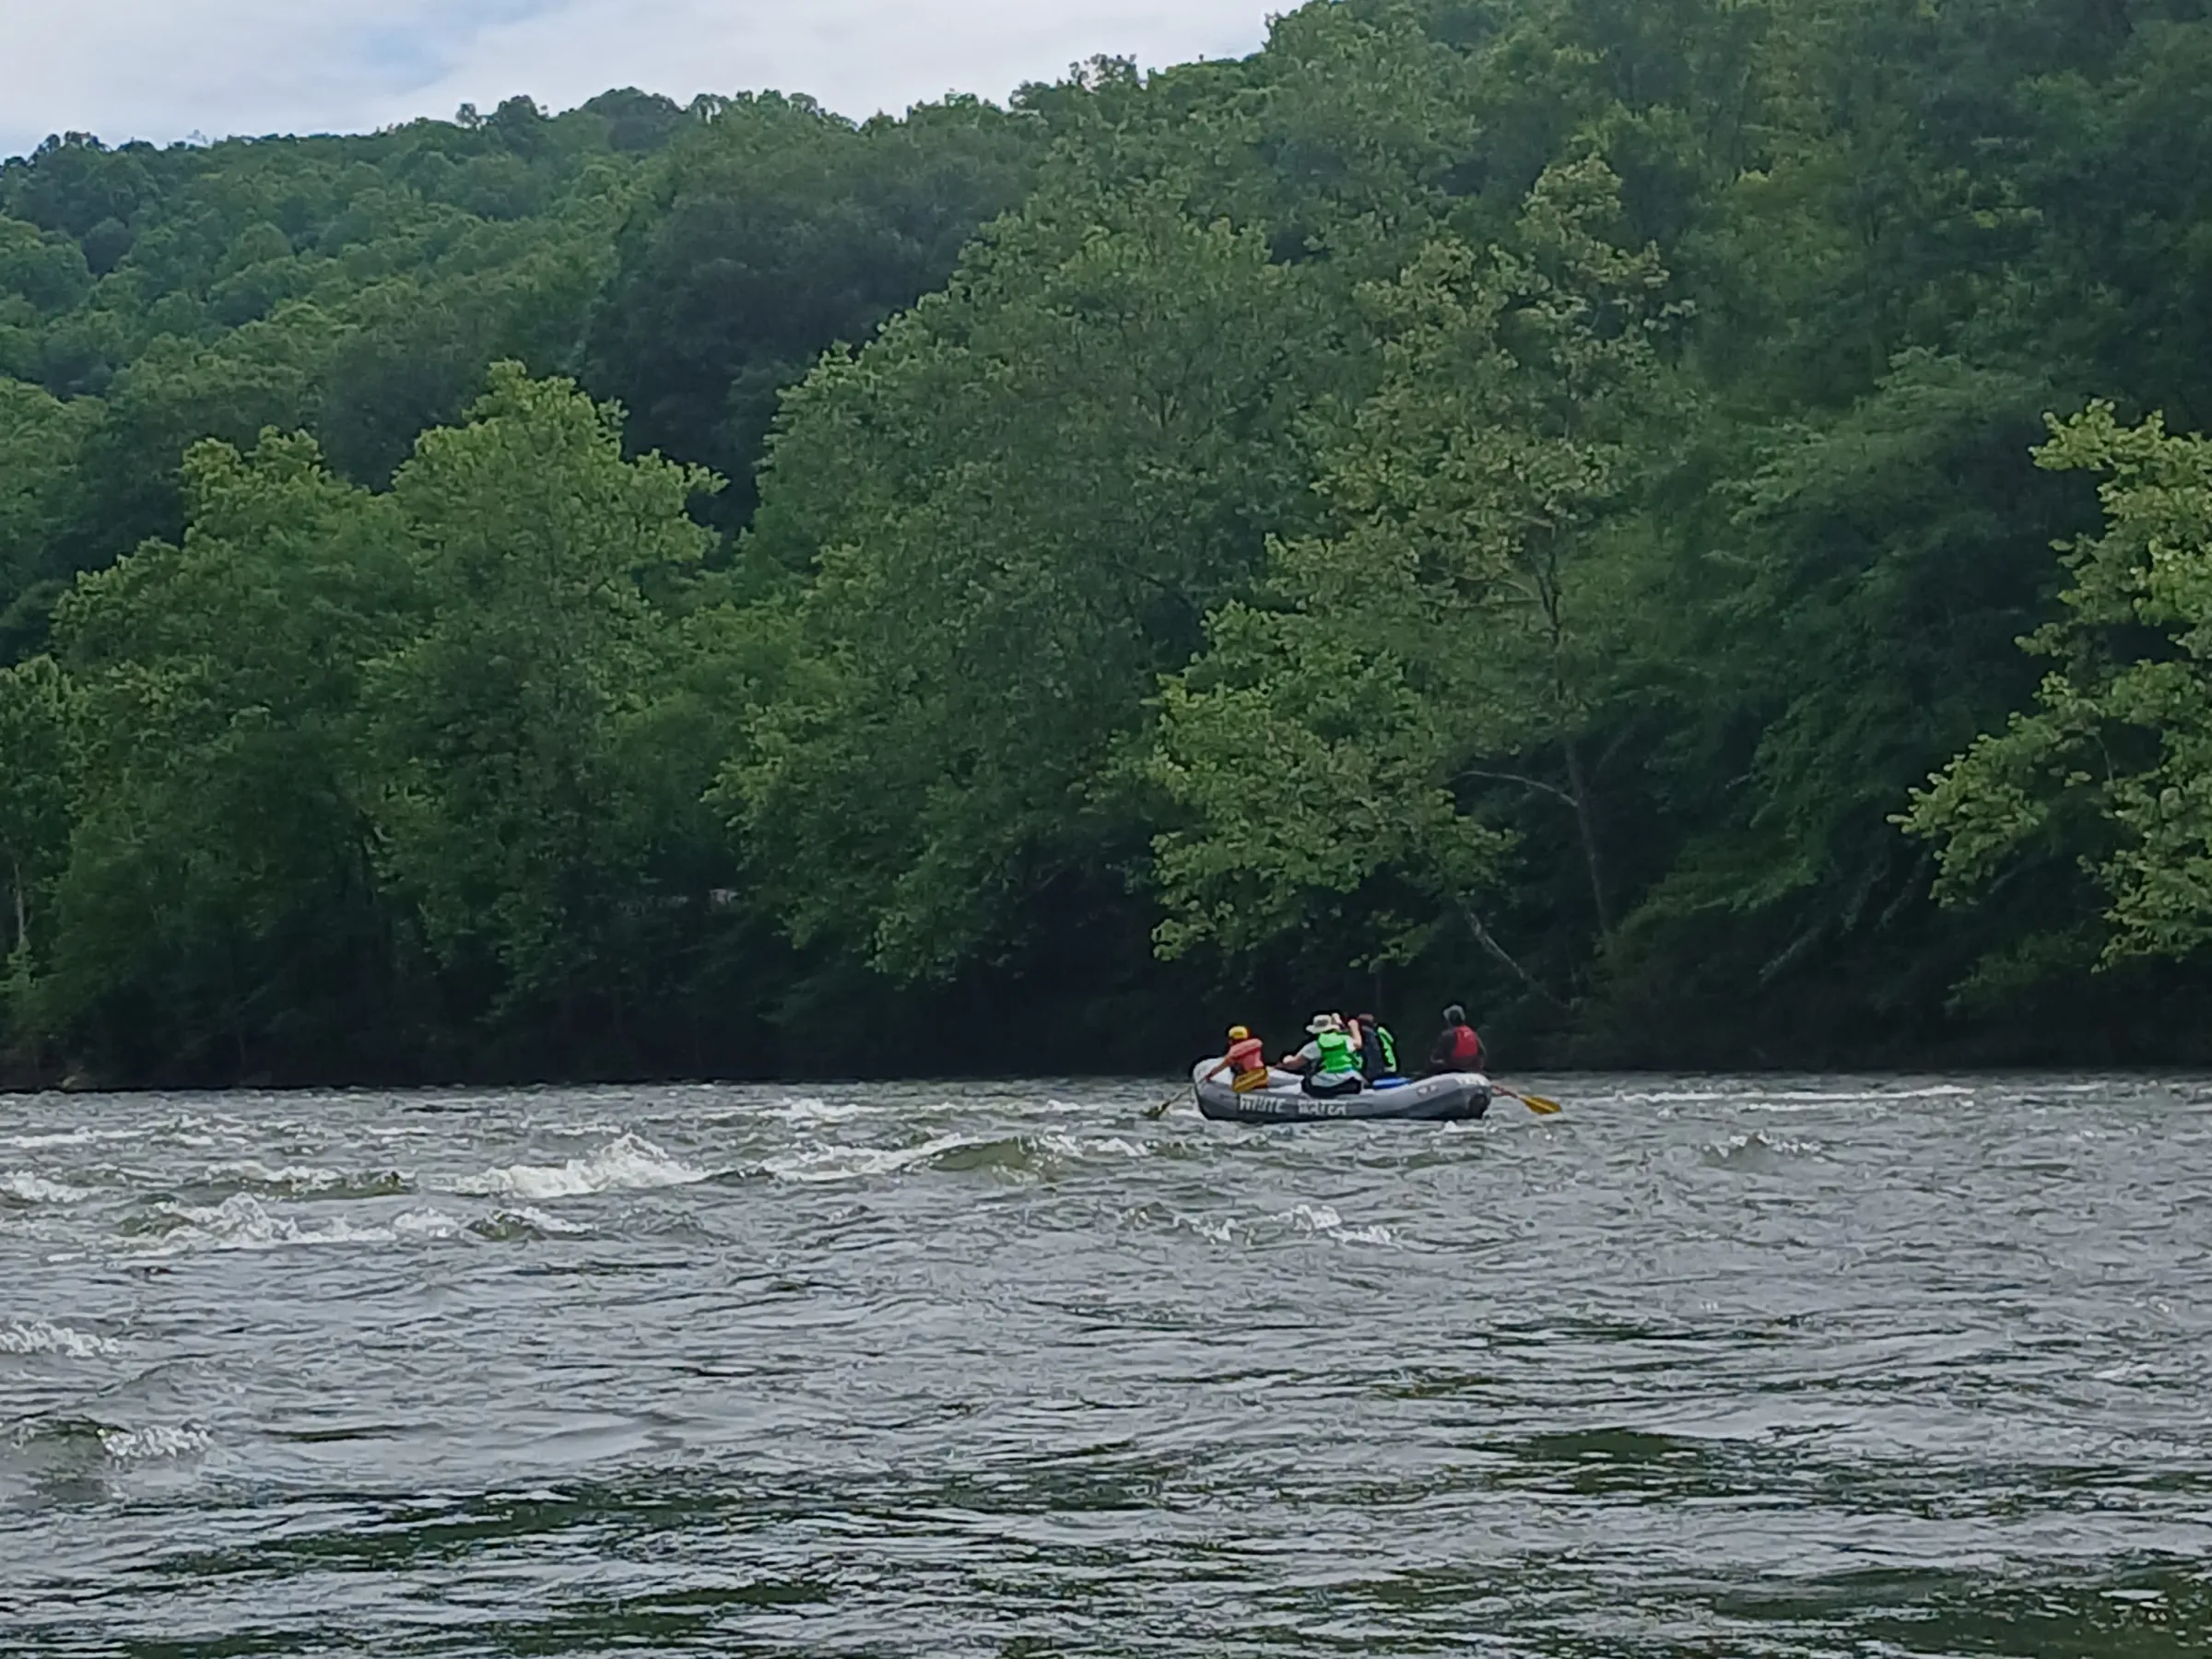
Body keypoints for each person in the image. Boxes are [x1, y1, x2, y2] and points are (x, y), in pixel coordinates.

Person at [1283, 1014, 1364, 1099]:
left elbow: (1294, 1064)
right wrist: (1354, 1028)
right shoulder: (1344, 1039)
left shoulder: (1315, 1045)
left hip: (1331, 1083)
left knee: (1306, 1083)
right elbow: (1358, 1043)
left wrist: (1286, 1059)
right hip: (1353, 1080)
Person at [1203, 1025, 1272, 1093]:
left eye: (1230, 1039)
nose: (1229, 1041)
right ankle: (1259, 1086)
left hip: (1253, 1076)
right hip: (1263, 1073)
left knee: (1235, 1088)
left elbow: (1222, 1066)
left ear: (1234, 1039)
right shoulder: (1255, 1044)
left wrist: (1210, 1075)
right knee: (1240, 1078)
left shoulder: (1234, 1052)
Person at [1428, 1005, 1485, 1076]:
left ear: (1449, 1021)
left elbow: (1434, 1058)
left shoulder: (1447, 1035)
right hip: (1473, 1070)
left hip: (1454, 1070)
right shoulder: (1472, 1033)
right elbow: (1482, 1053)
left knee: (1435, 1063)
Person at [1354, 1013, 1399, 1081]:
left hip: (1371, 1073)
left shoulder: (1361, 1035)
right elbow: (1392, 1040)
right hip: (1391, 1066)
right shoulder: (1381, 1030)